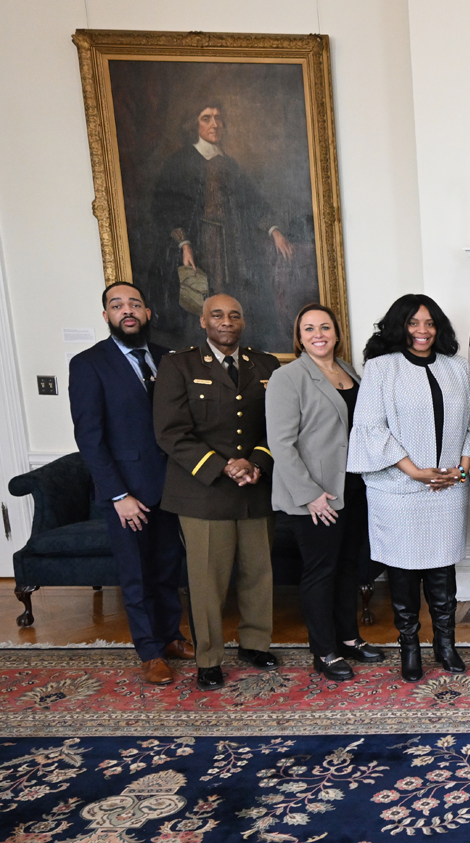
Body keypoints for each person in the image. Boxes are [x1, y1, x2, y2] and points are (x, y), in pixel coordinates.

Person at [69, 282, 194, 685]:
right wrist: (118, 495)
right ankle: (150, 651)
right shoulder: (88, 364)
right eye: (117, 305)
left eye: (135, 304)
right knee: (136, 573)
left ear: (148, 313)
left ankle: (171, 636)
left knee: (168, 568)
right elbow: (90, 437)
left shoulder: (166, 359)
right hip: (127, 493)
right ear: (105, 315)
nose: (127, 311)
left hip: (170, 487)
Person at [154, 294, 280, 690]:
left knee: (257, 572)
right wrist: (223, 465)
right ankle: (209, 658)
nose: (227, 322)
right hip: (203, 491)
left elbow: (277, 425)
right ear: (203, 322)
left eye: (235, 315)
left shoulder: (266, 365)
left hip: (254, 487)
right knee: (207, 581)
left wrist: (256, 462)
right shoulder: (179, 365)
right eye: (218, 315)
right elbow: (170, 432)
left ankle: (255, 644)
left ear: (243, 322)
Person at [348, 295, 470, 683]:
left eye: (430, 323)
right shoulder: (381, 368)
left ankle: (445, 643)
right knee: (403, 573)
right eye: (414, 323)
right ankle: (409, 646)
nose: (423, 331)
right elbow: (371, 428)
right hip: (399, 489)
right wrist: (414, 471)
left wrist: (462, 468)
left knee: (442, 572)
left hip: (448, 487)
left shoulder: (456, 368)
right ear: (400, 326)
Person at [266, 303, 384, 683]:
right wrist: (310, 495)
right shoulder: (288, 377)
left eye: (325, 327)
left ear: (336, 333)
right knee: (321, 572)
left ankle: (348, 638)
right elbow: (281, 444)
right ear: (299, 337)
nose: (319, 334)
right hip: (316, 495)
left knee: (349, 568)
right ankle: (325, 651)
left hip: (353, 487)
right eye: (309, 328)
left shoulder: (349, 371)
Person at [148, 103, 294, 348]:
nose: (214, 124)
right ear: (194, 125)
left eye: (218, 118)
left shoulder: (228, 162)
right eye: (206, 118)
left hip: (233, 243)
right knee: (202, 298)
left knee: (237, 294)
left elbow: (252, 201)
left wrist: (274, 231)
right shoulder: (182, 160)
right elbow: (166, 206)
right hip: (200, 242)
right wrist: (184, 243)